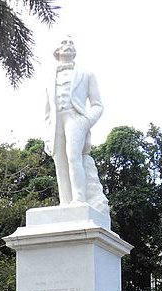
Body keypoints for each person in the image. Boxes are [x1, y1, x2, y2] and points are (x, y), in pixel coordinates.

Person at [45, 36, 106, 210]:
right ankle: (65, 201)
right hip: (57, 121)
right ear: (56, 50)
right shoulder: (49, 78)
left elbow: (98, 105)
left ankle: (79, 199)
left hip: (75, 118)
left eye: (71, 43)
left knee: (73, 156)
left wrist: (86, 121)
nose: (68, 46)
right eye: (64, 43)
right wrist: (47, 136)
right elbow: (47, 111)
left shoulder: (86, 74)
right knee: (60, 161)